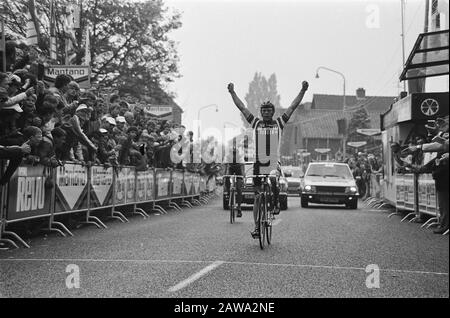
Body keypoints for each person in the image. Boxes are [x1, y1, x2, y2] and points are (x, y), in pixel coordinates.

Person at [227, 80, 309, 238]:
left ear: (272, 112)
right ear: (261, 112)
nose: (265, 113)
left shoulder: (279, 123)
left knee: (272, 179)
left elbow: (292, 106)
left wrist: (303, 91)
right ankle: (257, 226)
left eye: (268, 110)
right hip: (258, 161)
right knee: (257, 197)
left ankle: (276, 201)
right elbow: (242, 107)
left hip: (273, 161)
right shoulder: (255, 123)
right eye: (263, 110)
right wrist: (232, 93)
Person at [223, 137, 245, 217]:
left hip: (239, 168)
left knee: (239, 188)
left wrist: (243, 175)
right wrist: (224, 175)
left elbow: (242, 165)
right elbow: (226, 165)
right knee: (227, 178)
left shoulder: (240, 151)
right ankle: (229, 194)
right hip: (231, 168)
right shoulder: (228, 152)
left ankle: (239, 208)